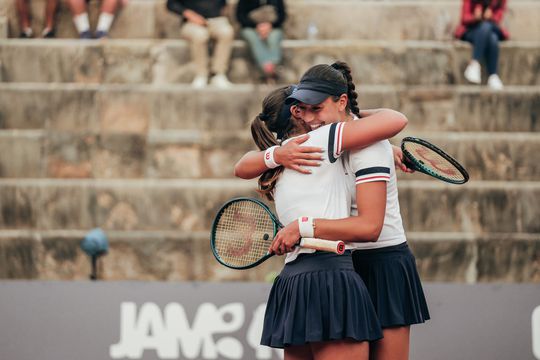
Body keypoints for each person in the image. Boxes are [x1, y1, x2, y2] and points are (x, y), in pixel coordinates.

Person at [235, 62, 429, 360]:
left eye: (316, 108)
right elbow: (394, 119)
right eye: (302, 110)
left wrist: (369, 135)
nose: (311, 117)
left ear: (341, 102)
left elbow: (243, 166)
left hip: (378, 261)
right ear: (294, 115)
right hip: (340, 265)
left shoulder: (348, 142)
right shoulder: (324, 141)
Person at [166, 0, 234, 89]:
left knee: (226, 32)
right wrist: (189, 14)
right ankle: (201, 75)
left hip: (216, 20)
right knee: (200, 36)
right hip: (191, 22)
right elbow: (171, 4)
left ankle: (218, 74)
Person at [454, 0, 509, 90]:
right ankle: (493, 75)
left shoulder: (499, 1)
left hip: (491, 27)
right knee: (492, 37)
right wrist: (475, 17)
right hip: (472, 30)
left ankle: (475, 64)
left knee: (488, 28)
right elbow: (464, 18)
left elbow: (499, 17)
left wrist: (491, 16)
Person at [236, 0, 286, 84]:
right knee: (252, 37)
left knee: (274, 37)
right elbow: (240, 16)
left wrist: (269, 25)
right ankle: (270, 70)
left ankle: (270, 68)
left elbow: (282, 15)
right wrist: (257, 26)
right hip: (251, 27)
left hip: (272, 27)